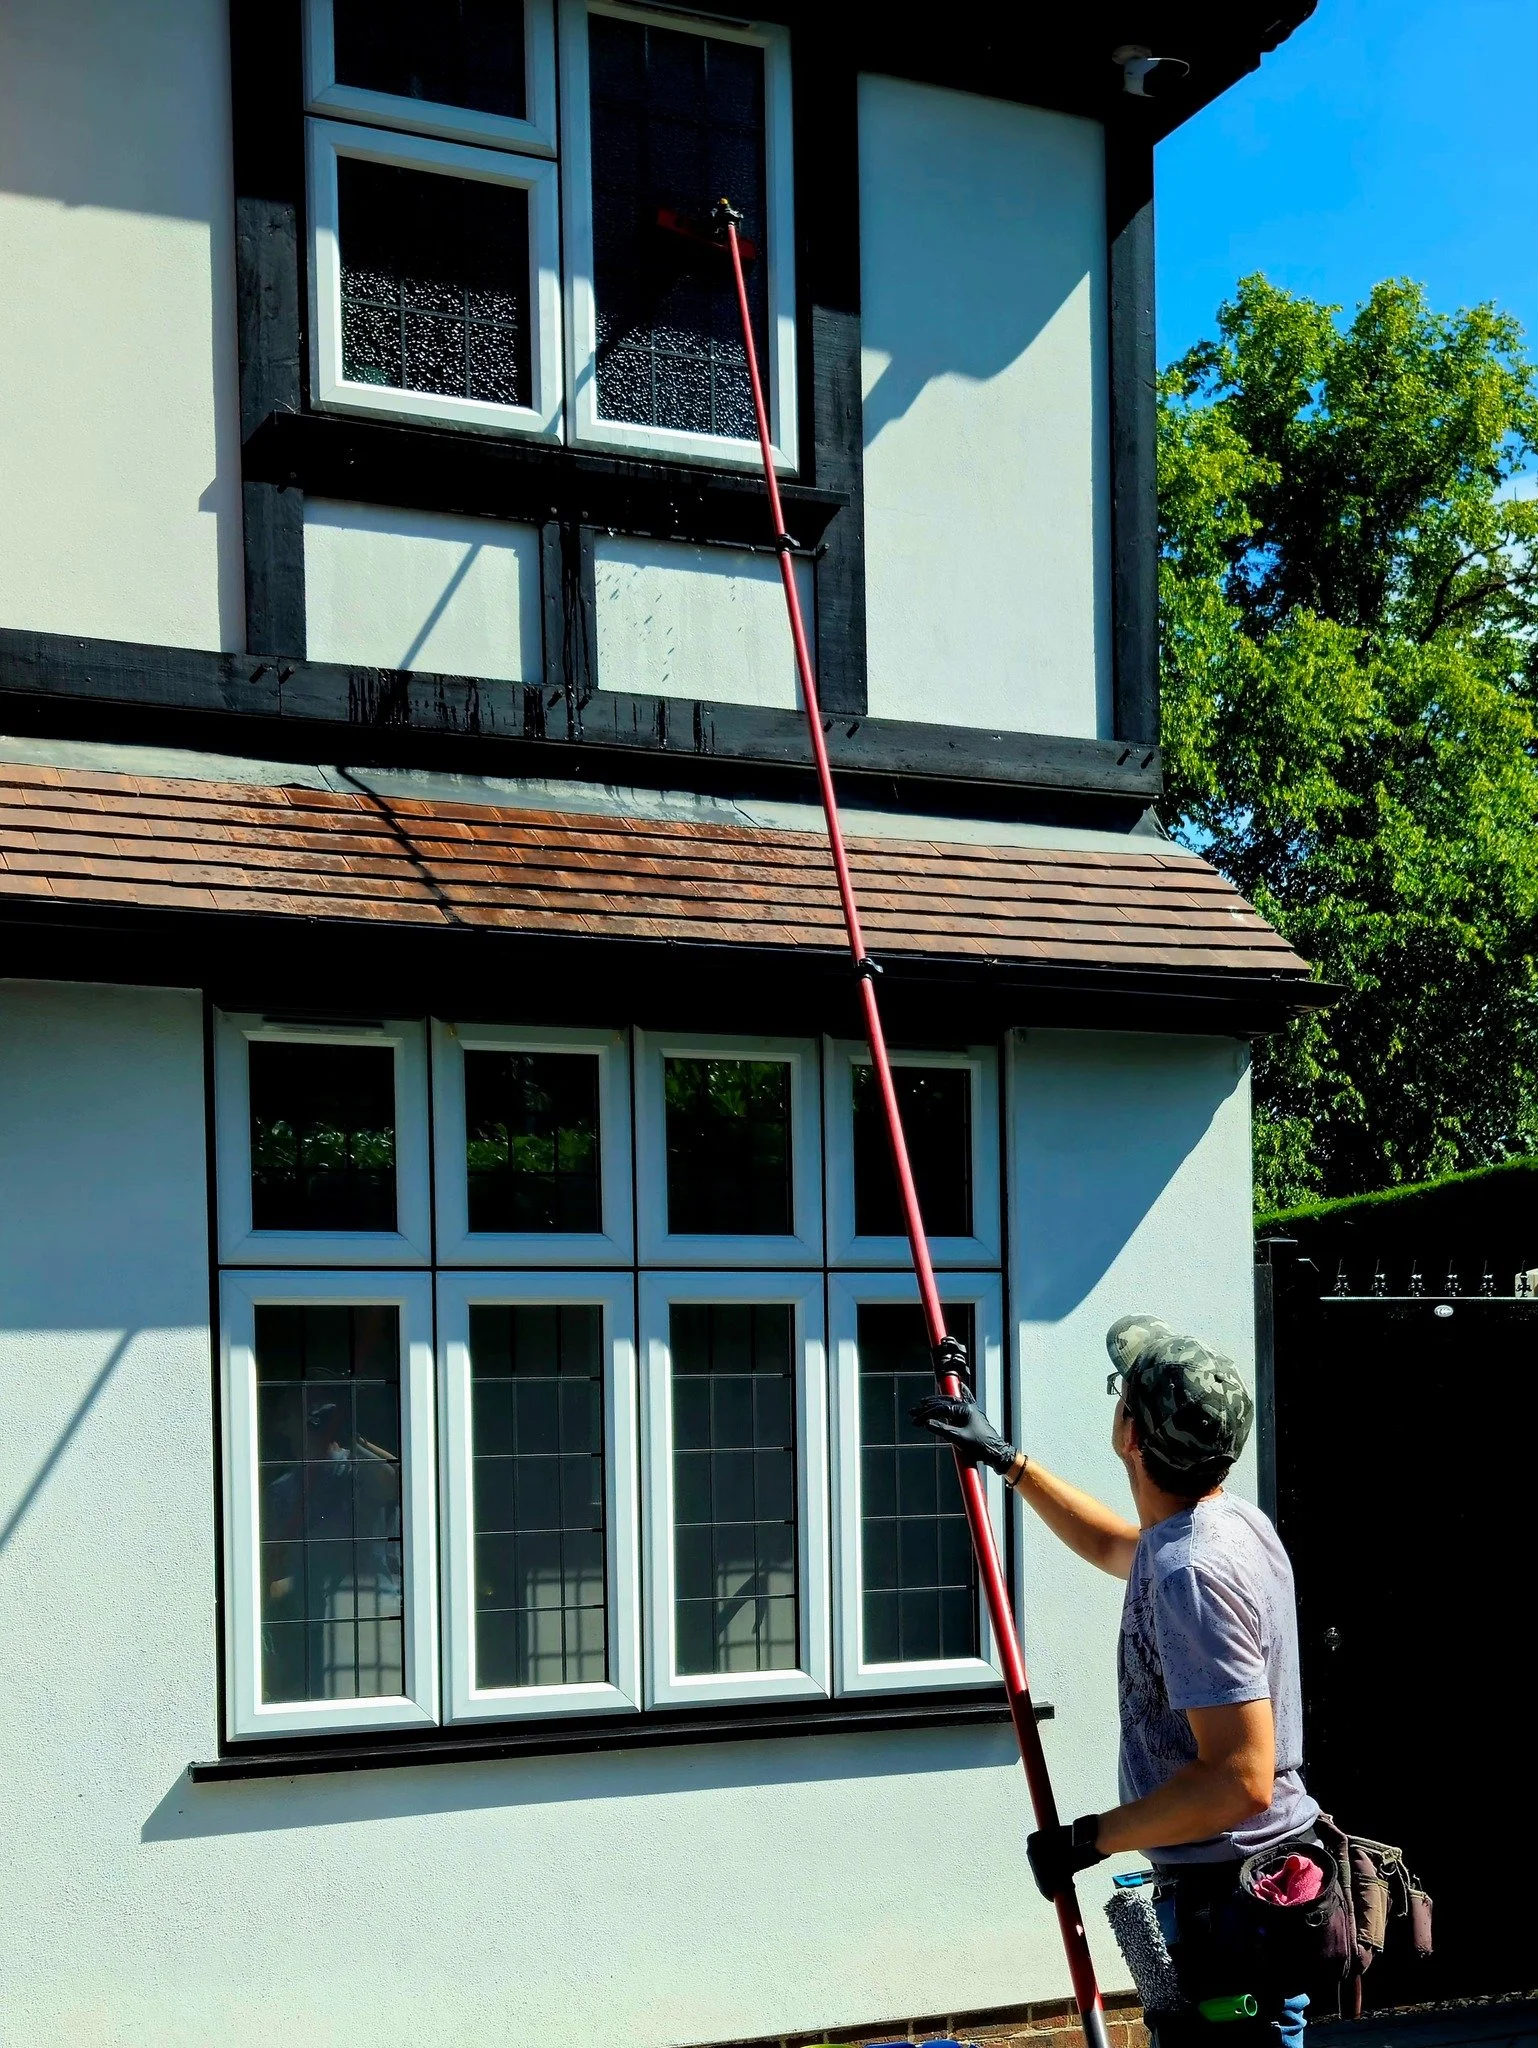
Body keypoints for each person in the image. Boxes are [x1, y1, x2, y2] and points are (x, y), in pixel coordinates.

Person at [912, 1315, 1337, 2048]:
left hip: (1232, 1907)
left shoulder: (1194, 1571)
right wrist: (1009, 1460)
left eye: (1121, 1394)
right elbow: (1118, 1546)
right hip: (1236, 1889)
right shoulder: (1219, 1525)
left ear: (1132, 1435)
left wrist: (1091, 1838)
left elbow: (1241, 1780)